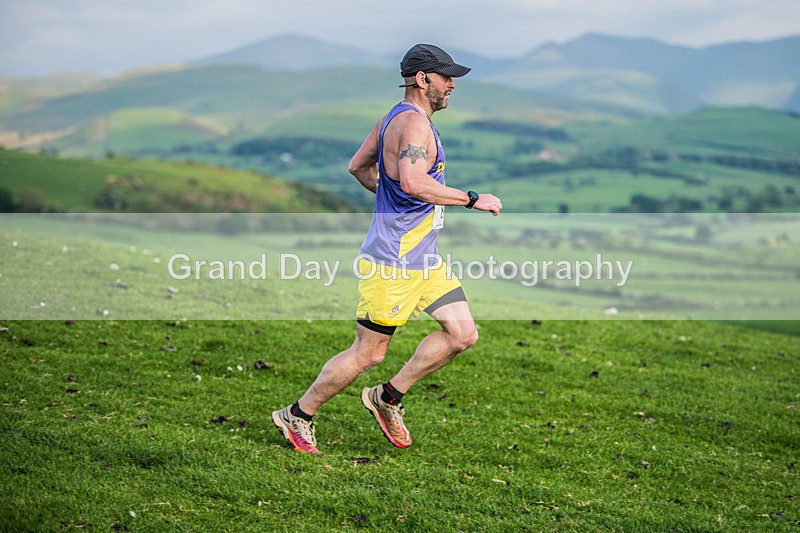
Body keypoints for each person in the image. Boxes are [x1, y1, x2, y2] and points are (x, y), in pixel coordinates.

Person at [272, 44, 503, 454]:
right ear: (422, 79)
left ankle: (388, 397)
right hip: (394, 261)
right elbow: (414, 182)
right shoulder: (413, 126)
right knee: (368, 353)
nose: (452, 85)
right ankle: (298, 414)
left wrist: (392, 200)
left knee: (463, 334)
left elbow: (358, 167)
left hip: (423, 257)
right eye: (446, 77)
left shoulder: (392, 117)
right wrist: (471, 198)